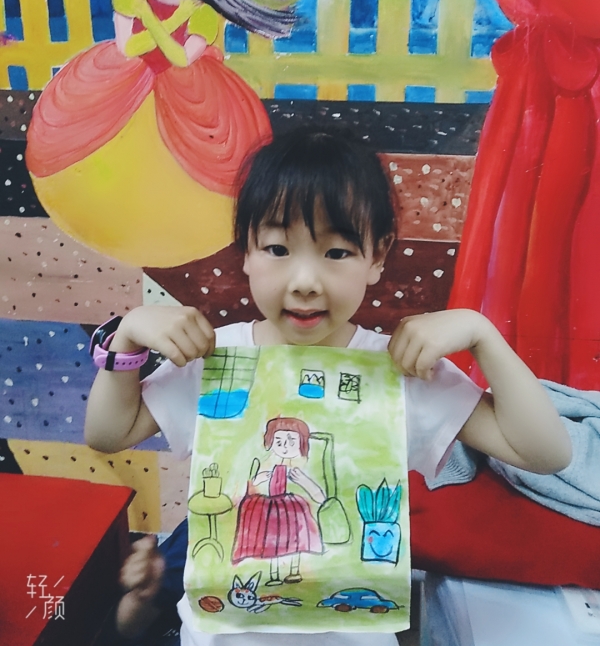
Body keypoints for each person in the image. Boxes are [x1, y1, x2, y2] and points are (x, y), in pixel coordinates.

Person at [84, 126, 572, 646]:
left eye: (336, 253)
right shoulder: (217, 356)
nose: (305, 281)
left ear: (377, 256)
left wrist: (482, 335)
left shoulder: (396, 368)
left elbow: (545, 453)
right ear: (245, 250)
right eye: (277, 248)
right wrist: (126, 338)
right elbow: (108, 434)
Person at [25, 0, 303, 267]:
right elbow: (128, 47)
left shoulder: (203, 11)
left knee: (210, 155)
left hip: (190, 89)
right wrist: (166, 21)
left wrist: (153, 20)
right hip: (123, 81)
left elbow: (180, 58)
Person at [231, 416, 325, 585]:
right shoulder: (267, 463)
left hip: (293, 510)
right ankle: (274, 575)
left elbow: (318, 495)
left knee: (295, 540)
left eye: (291, 441)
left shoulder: (301, 466)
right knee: (273, 542)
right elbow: (252, 483)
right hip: (271, 509)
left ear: (301, 443)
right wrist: (259, 479)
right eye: (279, 441)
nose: (284, 446)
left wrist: (303, 481)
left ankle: (294, 571)